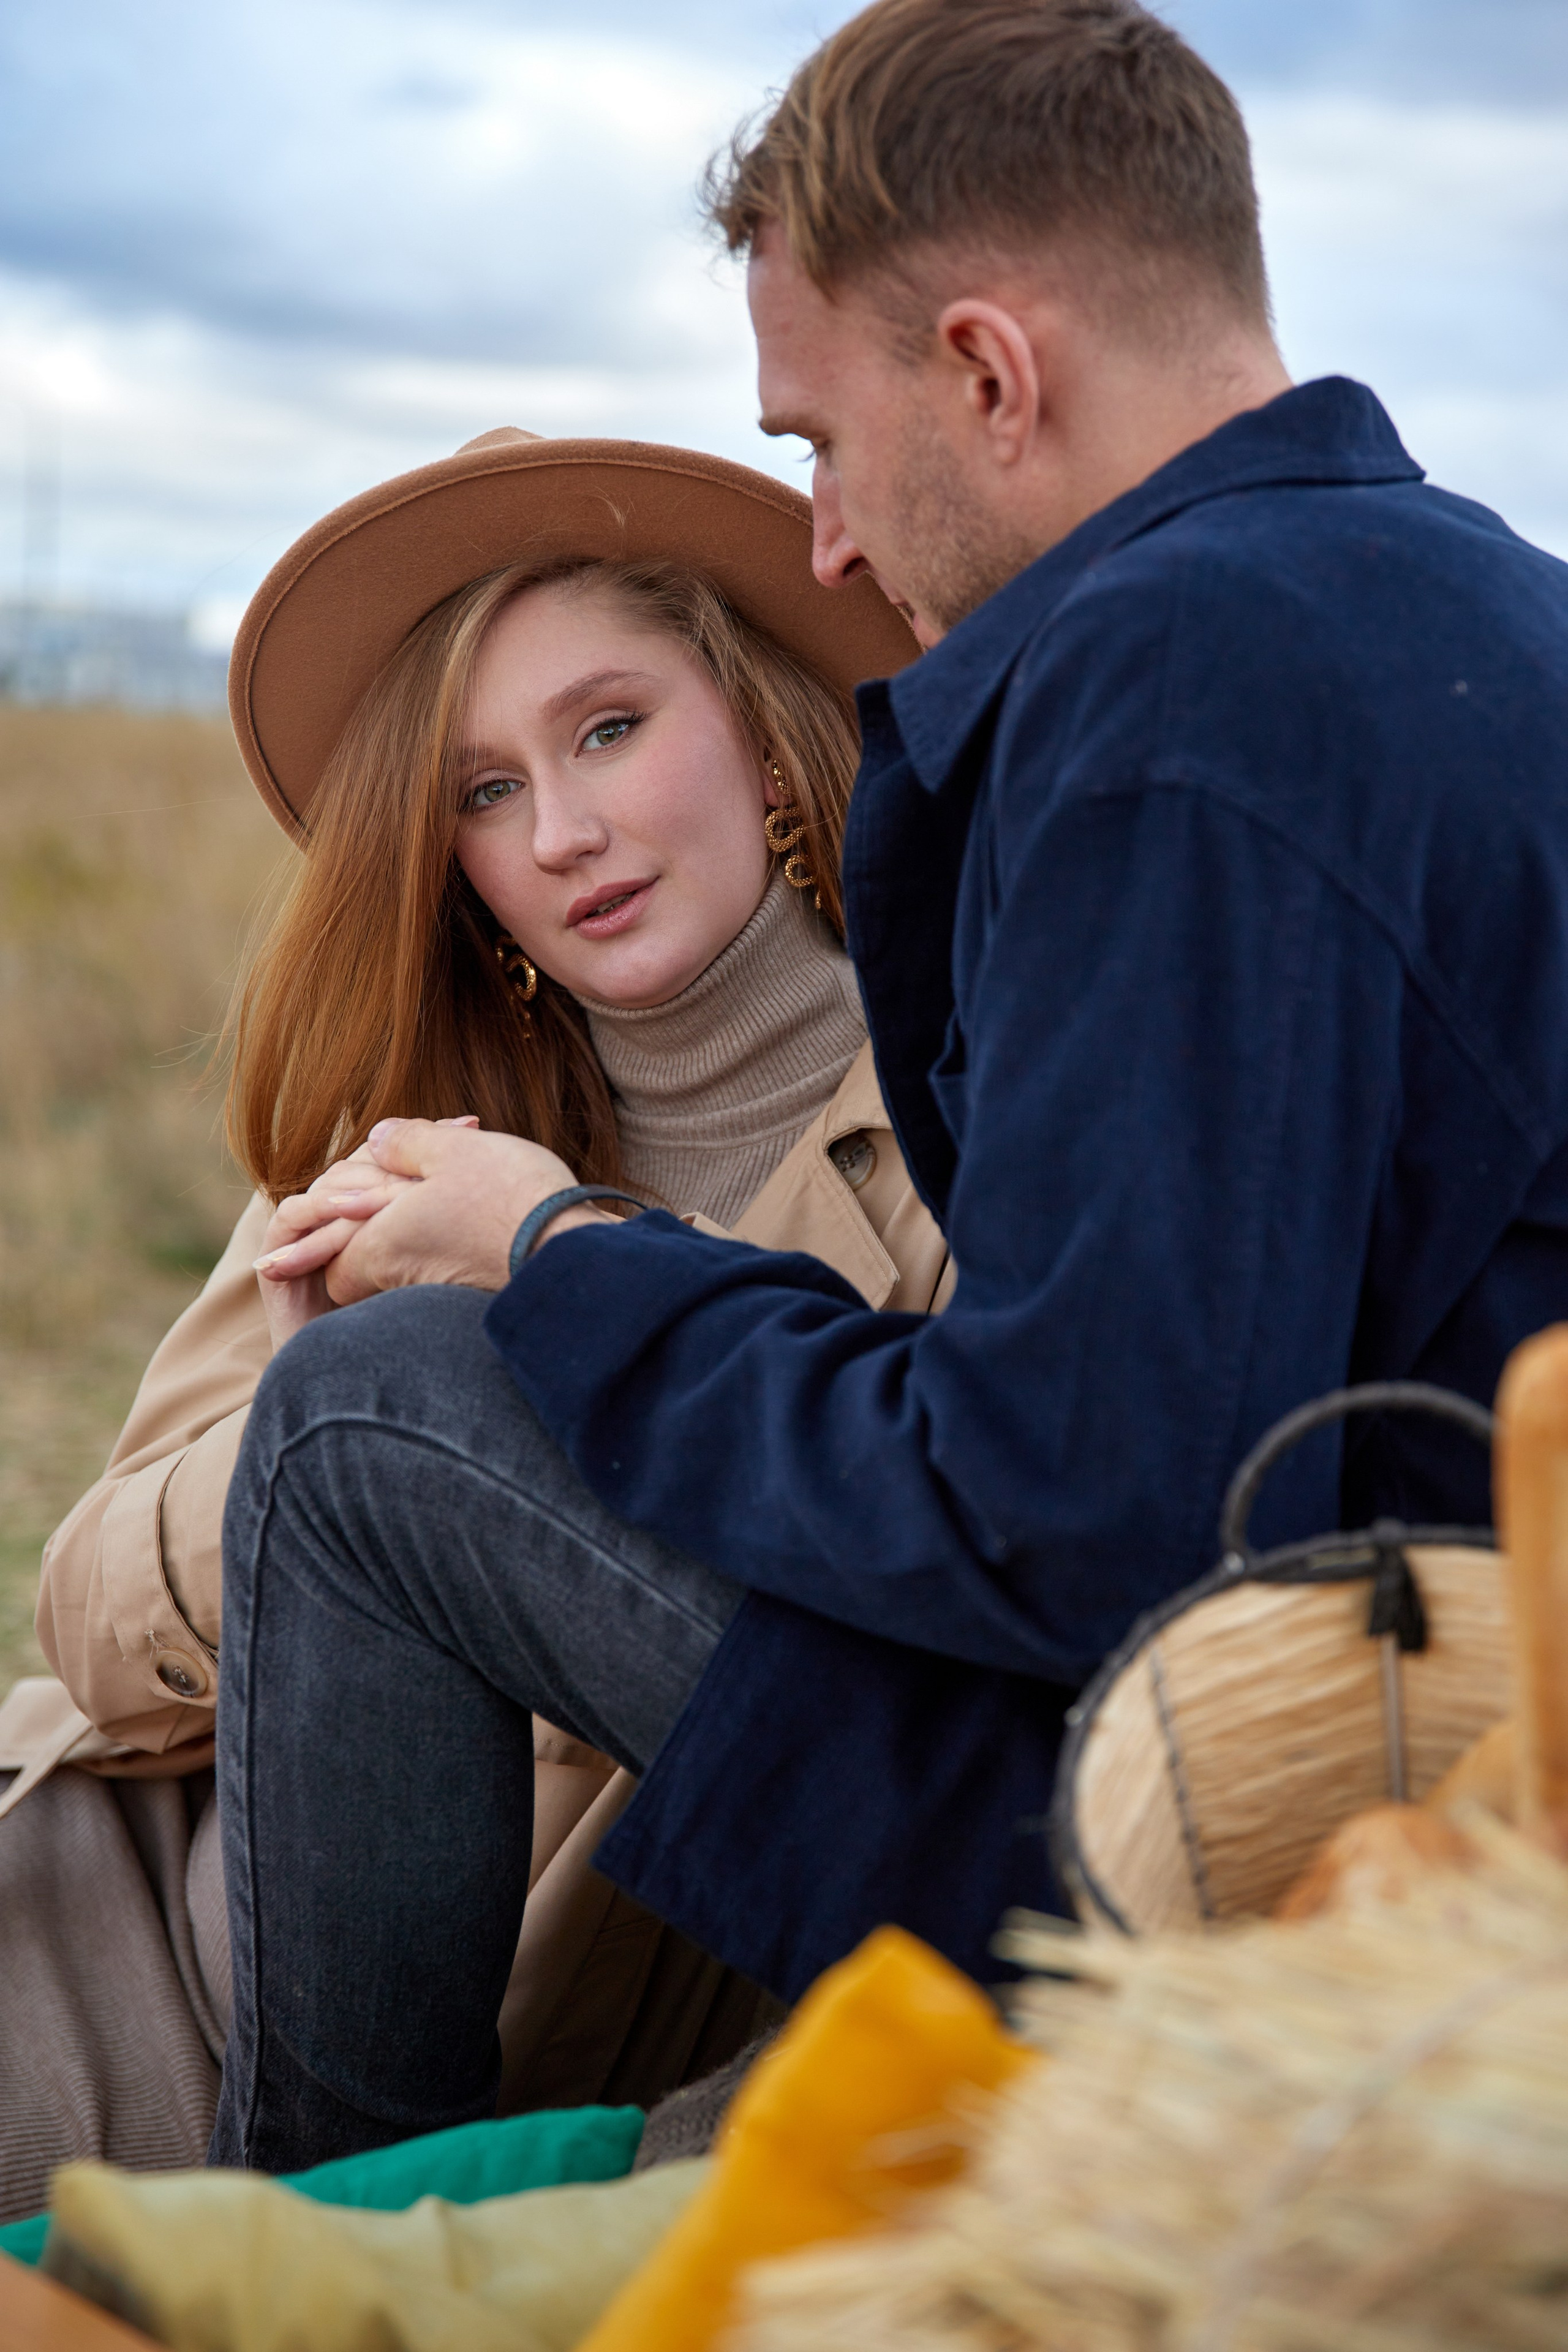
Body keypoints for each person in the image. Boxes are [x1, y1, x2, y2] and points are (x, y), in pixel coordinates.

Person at [212, 0, 1568, 2174]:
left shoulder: (1170, 694)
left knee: (379, 1413)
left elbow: (1079, 1510)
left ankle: (283, 2258)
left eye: (821, 443)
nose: (827, 545)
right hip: (1439, 1732)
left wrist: (558, 1252)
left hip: (1278, 1846)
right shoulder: (1488, 603)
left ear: (989, 373)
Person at [0, 428, 931, 2221]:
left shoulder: (960, 1135)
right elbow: (88, 1607)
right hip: (126, 1962)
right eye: (484, 792)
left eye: (607, 730)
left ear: (751, 716)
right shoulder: (419, 1128)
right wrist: (303, 1416)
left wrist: (559, 1294)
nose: (564, 832)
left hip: (469, 2064)